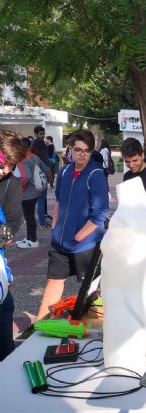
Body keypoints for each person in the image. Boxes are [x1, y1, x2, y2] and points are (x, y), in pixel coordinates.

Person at [37, 130, 110, 319]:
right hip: (60, 241)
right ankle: (40, 324)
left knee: (92, 291)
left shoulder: (96, 174)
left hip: (85, 244)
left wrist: (79, 235)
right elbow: (59, 201)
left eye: (87, 150)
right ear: (70, 149)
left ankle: (99, 330)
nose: (82, 154)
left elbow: (100, 213)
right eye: (78, 149)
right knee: (53, 281)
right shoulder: (64, 171)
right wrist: (55, 227)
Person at [0, 130, 27, 360]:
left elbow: (13, 223)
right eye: (3, 163)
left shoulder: (12, 183)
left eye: (11, 165)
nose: (5, 170)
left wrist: (6, 234)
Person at [14, 144, 49, 248]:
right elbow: (45, 169)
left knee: (29, 216)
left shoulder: (21, 160)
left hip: (27, 194)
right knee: (30, 216)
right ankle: (29, 238)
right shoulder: (35, 157)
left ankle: (33, 240)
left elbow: (26, 176)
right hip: (37, 190)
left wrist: (20, 189)